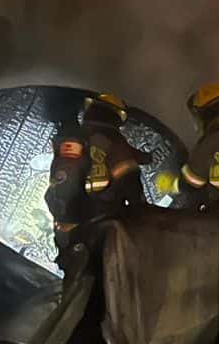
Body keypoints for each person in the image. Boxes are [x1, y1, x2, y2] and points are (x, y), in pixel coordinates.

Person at [45, 92, 146, 273]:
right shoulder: (116, 143)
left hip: (67, 228)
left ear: (91, 108)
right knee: (104, 282)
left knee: (76, 281)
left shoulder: (71, 137)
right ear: (117, 117)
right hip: (101, 228)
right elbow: (132, 186)